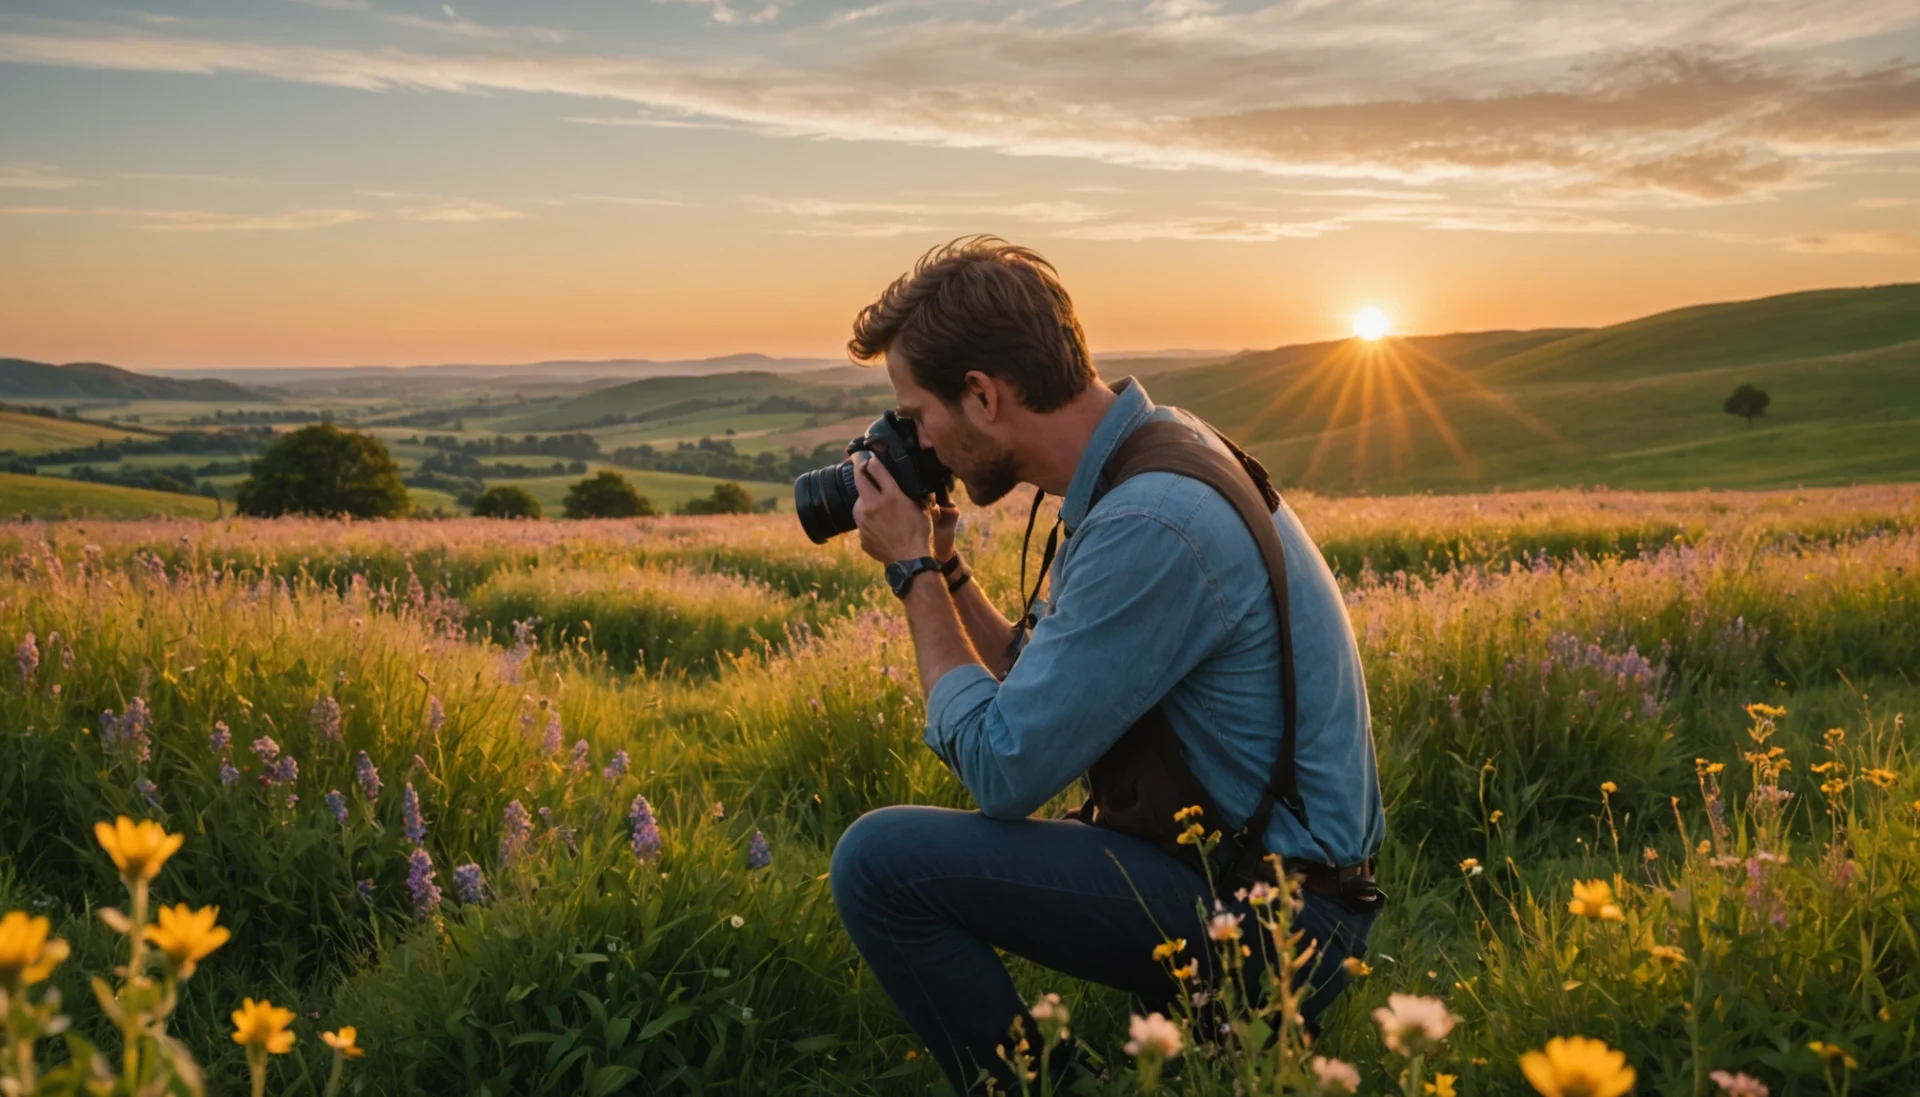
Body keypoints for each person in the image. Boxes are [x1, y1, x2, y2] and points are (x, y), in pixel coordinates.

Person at [828, 235, 1385, 1093]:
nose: (915, 441)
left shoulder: (1149, 522)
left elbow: (1005, 767)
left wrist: (910, 578)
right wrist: (947, 567)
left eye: (915, 415)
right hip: (1248, 873)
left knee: (879, 864)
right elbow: (1041, 676)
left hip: (1276, 919)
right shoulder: (1153, 454)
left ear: (982, 395)